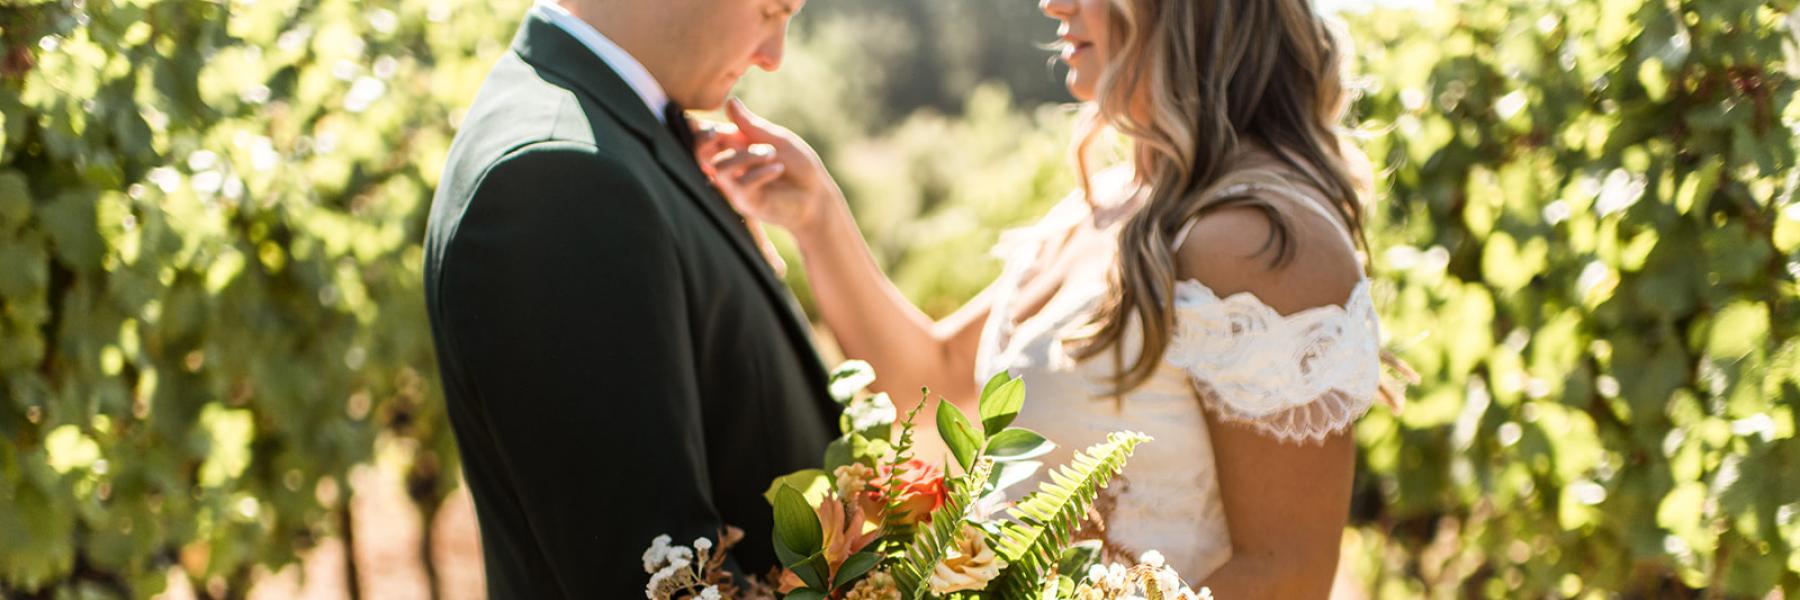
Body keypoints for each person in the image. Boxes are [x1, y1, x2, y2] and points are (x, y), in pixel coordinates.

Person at [702, 0, 1405, 594]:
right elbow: (936, 378)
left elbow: (1288, 572)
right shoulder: (1098, 211)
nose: (1053, 4)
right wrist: (816, 216)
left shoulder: (1263, 241)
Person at [420, 0, 835, 595]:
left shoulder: (615, 138)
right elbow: (661, 576)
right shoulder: (559, 181)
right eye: (771, 10)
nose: (774, 58)